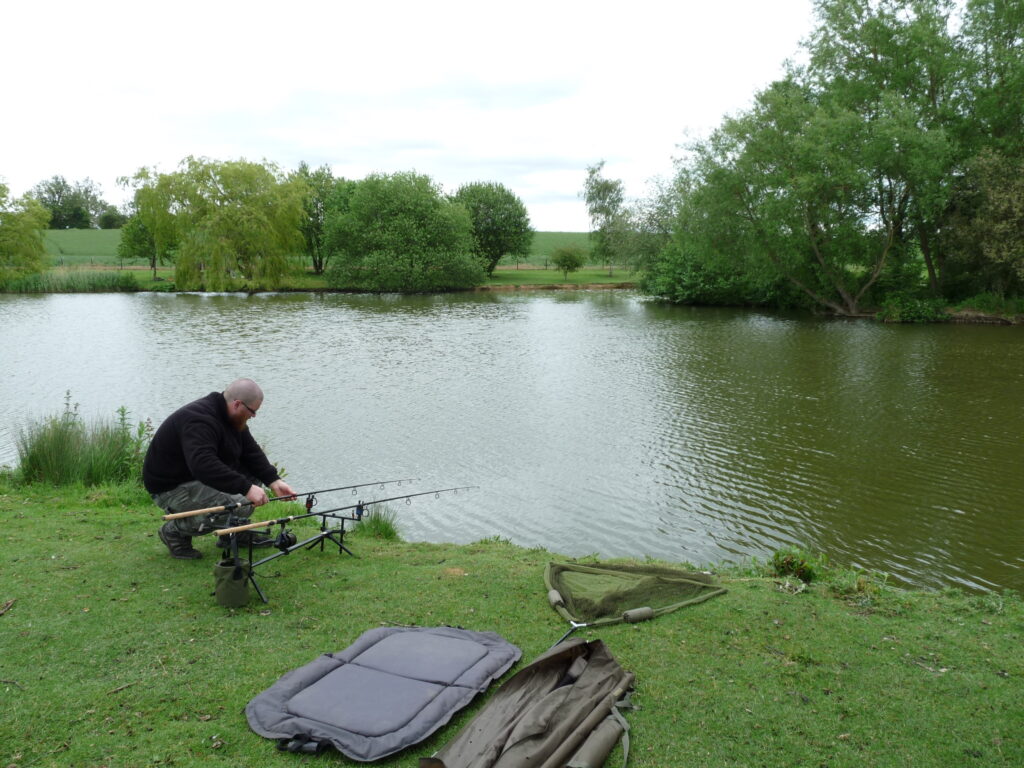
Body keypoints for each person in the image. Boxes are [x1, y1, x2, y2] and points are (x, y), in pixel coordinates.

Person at [143, 378, 296, 559]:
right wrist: (246, 488)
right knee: (240, 503)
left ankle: (233, 532)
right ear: (237, 404)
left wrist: (274, 481)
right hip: (171, 486)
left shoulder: (231, 417)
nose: (253, 416)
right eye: (252, 411)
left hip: (194, 477)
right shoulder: (199, 420)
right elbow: (203, 465)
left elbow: (250, 451)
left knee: (253, 481)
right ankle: (174, 531)